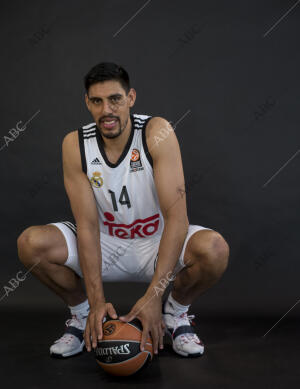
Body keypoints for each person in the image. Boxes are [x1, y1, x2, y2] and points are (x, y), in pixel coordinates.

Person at [17, 62, 229, 359]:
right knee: (31, 243)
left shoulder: (156, 131)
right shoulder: (75, 144)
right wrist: (97, 301)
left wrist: (154, 297)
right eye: (97, 101)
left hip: (157, 242)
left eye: (115, 99)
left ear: (130, 98)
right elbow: (87, 226)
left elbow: (177, 220)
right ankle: (83, 318)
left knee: (214, 249)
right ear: (87, 103)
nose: (107, 110)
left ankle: (175, 315)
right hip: (105, 242)